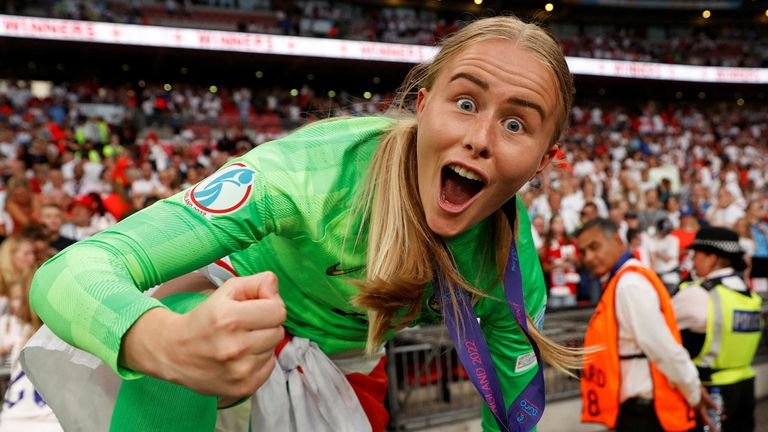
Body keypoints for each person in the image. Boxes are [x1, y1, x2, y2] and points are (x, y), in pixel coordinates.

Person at [25, 16, 580, 432]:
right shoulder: (307, 176)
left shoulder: (509, 261)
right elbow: (69, 270)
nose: (480, 139)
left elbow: (513, 400)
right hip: (227, 337)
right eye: (464, 102)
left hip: (349, 369)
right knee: (184, 316)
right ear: (422, 104)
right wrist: (162, 342)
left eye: (514, 123)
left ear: (545, 160)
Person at [575, 218, 714, 432]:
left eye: (594, 247)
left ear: (616, 240)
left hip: (646, 412)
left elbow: (662, 348)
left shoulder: (629, 284)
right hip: (642, 409)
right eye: (584, 252)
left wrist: (693, 391)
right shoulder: (625, 280)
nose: (589, 257)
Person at [673, 226, 763, 432]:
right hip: (745, 387)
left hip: (710, 390)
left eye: (695, 254)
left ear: (711, 258)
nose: (692, 260)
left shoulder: (699, 294)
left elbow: (658, 323)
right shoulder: (748, 296)